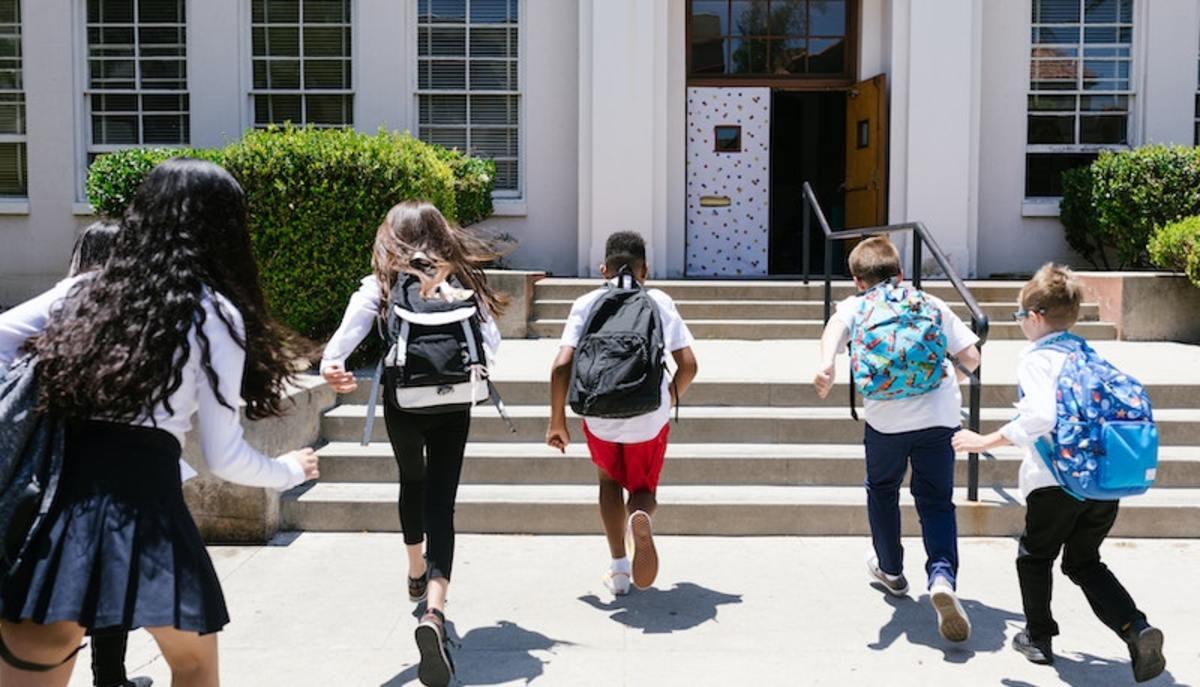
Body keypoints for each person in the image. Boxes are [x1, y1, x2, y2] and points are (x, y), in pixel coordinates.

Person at [0, 158, 320, 687]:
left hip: (58, 511)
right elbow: (223, 456)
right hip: (148, 509)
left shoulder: (83, 292)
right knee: (193, 666)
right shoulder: (212, 312)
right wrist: (287, 470)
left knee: (37, 662)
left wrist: (40, 399)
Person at [952, 264, 1166, 682]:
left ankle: (1037, 637)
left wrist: (985, 441)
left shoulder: (1037, 358)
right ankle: (1135, 628)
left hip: (1055, 482)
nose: (1020, 326)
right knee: (1084, 562)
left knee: (1035, 557)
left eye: (1019, 318)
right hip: (1102, 483)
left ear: (1034, 316)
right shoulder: (1086, 354)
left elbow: (1040, 416)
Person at [320, 201, 505, 687]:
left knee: (412, 481)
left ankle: (415, 568)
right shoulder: (463, 280)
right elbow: (493, 346)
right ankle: (435, 614)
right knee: (442, 501)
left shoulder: (381, 283)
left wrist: (333, 366)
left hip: (403, 401)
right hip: (454, 402)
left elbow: (342, 341)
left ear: (392, 236)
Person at [812, 236, 980, 643]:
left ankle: (891, 569)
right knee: (936, 501)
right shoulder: (930, 303)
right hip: (939, 418)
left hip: (886, 422)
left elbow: (834, 330)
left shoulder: (856, 305)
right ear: (901, 273)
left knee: (883, 490)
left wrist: (826, 365)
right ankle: (941, 577)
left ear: (857, 280)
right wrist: (946, 381)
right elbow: (972, 358)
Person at [546, 231, 698, 596]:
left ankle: (618, 569)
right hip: (649, 417)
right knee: (643, 489)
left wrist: (557, 422)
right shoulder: (659, 300)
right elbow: (689, 365)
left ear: (603, 269)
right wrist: (669, 398)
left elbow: (561, 366)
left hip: (599, 415)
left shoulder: (586, 301)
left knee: (608, 483)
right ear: (646, 268)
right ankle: (638, 517)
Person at [66, 220, 164, 687]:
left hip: (57, 473)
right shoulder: (133, 327)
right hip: (117, 477)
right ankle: (110, 678)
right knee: (112, 581)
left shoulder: (53, 317)